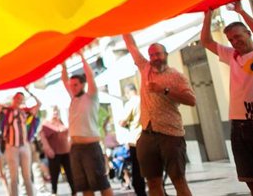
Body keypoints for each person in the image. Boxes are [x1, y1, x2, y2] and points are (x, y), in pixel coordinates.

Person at [200, 1, 253, 195]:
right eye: (231, 39)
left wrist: (241, 11)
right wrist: (208, 15)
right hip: (238, 126)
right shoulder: (231, 55)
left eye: (237, 36)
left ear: (248, 34)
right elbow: (206, 42)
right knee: (251, 179)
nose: (234, 41)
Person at [122, 33, 196, 196]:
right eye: (151, 54)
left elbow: (191, 100)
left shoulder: (177, 76)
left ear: (166, 55)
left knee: (179, 181)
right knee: (153, 182)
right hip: (147, 134)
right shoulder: (145, 67)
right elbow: (132, 47)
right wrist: (123, 27)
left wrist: (165, 90)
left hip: (171, 135)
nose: (154, 57)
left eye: (158, 54)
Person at [61, 52, 113, 196]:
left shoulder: (91, 96)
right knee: (84, 186)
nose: (72, 87)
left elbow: (90, 77)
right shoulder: (73, 98)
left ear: (83, 85)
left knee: (102, 183)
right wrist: (63, 64)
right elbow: (64, 79)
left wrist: (83, 57)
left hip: (90, 147)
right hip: (75, 148)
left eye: (76, 85)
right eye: (71, 85)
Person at [0, 90, 38, 196]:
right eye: (18, 98)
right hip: (11, 146)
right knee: (13, 176)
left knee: (27, 176)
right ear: (13, 98)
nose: (19, 100)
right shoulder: (7, 110)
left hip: (24, 146)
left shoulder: (25, 111)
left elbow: (39, 104)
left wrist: (29, 91)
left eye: (21, 99)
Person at [40, 106, 75, 196]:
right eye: (53, 111)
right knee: (54, 173)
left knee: (70, 172)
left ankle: (74, 191)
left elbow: (68, 134)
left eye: (56, 111)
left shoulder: (61, 122)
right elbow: (43, 138)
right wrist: (48, 149)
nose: (55, 112)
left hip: (66, 151)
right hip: (54, 152)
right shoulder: (46, 124)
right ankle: (54, 192)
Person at [119, 84, 145, 196]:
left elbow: (122, 121)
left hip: (136, 140)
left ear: (128, 93)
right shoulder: (144, 100)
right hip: (149, 137)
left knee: (138, 170)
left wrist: (126, 124)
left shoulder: (131, 103)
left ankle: (141, 193)